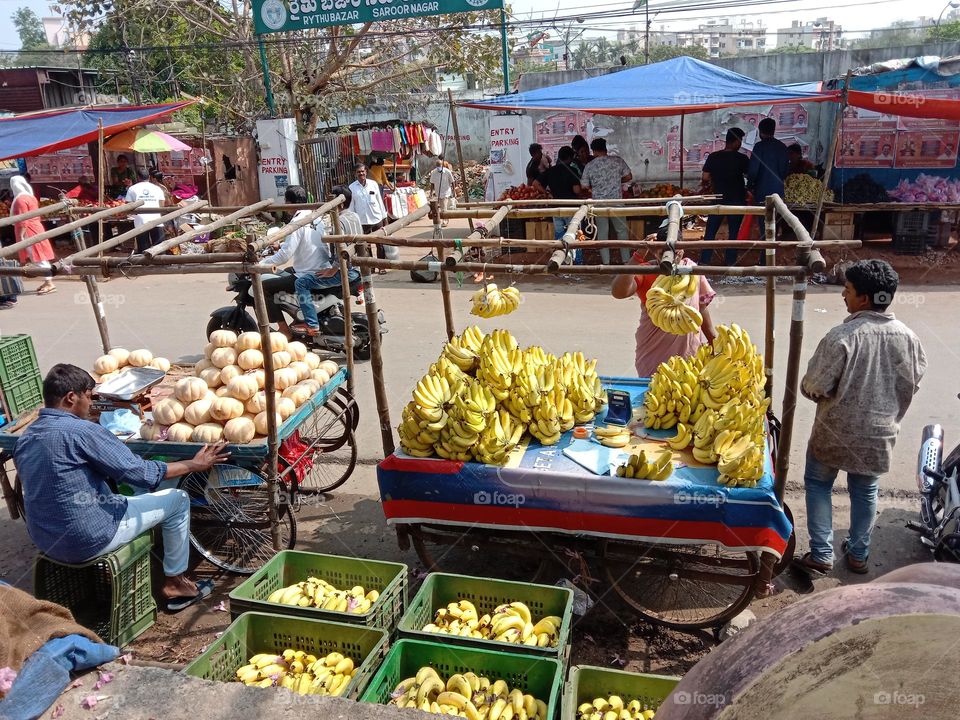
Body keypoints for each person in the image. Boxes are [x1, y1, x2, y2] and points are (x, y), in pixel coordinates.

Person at [14, 364, 229, 610]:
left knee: (115, 496)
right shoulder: (82, 431)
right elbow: (141, 474)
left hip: (45, 539)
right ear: (71, 397)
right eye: (89, 397)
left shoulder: (27, 436)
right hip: (89, 537)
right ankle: (175, 583)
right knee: (178, 499)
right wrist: (193, 464)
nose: (91, 404)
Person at [795, 260, 926, 575]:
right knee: (866, 491)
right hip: (879, 436)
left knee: (818, 484)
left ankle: (821, 554)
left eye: (848, 289)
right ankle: (858, 554)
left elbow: (814, 386)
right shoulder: (909, 338)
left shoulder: (841, 336)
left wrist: (815, 391)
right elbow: (914, 381)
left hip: (833, 433)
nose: (843, 294)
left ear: (864, 299)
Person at [611, 226, 717, 377]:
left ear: (682, 249)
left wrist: (713, 339)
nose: (670, 255)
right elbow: (618, 292)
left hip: (690, 349)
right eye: (663, 251)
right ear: (655, 250)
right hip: (654, 350)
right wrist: (638, 255)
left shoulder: (691, 269)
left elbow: (701, 307)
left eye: (676, 250)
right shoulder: (646, 270)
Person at [260, 185, 348, 338]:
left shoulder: (296, 223)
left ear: (290, 203)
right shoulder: (316, 217)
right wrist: (281, 245)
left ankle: (283, 329)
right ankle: (297, 316)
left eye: (286, 202)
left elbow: (284, 256)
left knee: (264, 287)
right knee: (285, 272)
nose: (285, 205)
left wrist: (260, 265)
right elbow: (305, 241)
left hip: (307, 272)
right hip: (321, 267)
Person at [291, 185, 362, 337]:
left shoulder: (339, 222)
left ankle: (312, 324)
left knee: (301, 283)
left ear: (339, 203)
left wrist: (333, 269)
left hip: (346, 271)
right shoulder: (354, 216)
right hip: (358, 269)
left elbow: (342, 250)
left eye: (330, 201)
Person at [580, 137, 633, 264]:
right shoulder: (617, 161)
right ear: (605, 148)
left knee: (603, 233)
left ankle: (606, 262)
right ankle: (626, 261)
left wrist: (595, 186)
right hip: (617, 202)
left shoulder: (590, 166)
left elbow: (584, 186)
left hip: (599, 204)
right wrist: (616, 181)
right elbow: (629, 176)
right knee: (621, 231)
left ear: (593, 151)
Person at [699, 128, 747, 266]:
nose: (740, 144)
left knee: (710, 232)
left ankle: (704, 261)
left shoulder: (713, 157)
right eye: (740, 141)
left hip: (718, 199)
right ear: (736, 141)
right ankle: (730, 262)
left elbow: (705, 177)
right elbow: (751, 176)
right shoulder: (742, 159)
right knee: (733, 233)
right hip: (737, 199)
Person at [747, 118, 788, 263]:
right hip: (778, 192)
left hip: (762, 192)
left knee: (764, 226)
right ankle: (771, 258)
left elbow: (753, 170)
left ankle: (765, 261)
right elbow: (784, 171)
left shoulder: (759, 147)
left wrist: (749, 186)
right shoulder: (782, 147)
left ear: (760, 131)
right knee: (774, 225)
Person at [9, 175, 56, 295]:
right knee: (40, 256)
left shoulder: (20, 200)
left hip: (28, 231)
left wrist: (21, 236)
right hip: (36, 228)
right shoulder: (31, 197)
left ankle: (49, 282)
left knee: (37, 257)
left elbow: (23, 219)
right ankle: (47, 281)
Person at [532, 146, 582, 240]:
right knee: (573, 234)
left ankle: (560, 249)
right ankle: (574, 250)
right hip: (571, 207)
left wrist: (547, 193)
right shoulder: (572, 170)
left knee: (559, 235)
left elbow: (535, 183)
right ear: (570, 157)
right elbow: (577, 190)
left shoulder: (551, 171)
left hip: (556, 208)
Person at [125, 169, 165, 253]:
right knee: (159, 247)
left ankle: (145, 261)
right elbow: (162, 204)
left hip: (140, 220)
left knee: (143, 247)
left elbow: (128, 205)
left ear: (138, 177)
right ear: (149, 177)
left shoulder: (132, 188)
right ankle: (160, 260)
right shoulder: (157, 188)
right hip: (156, 219)